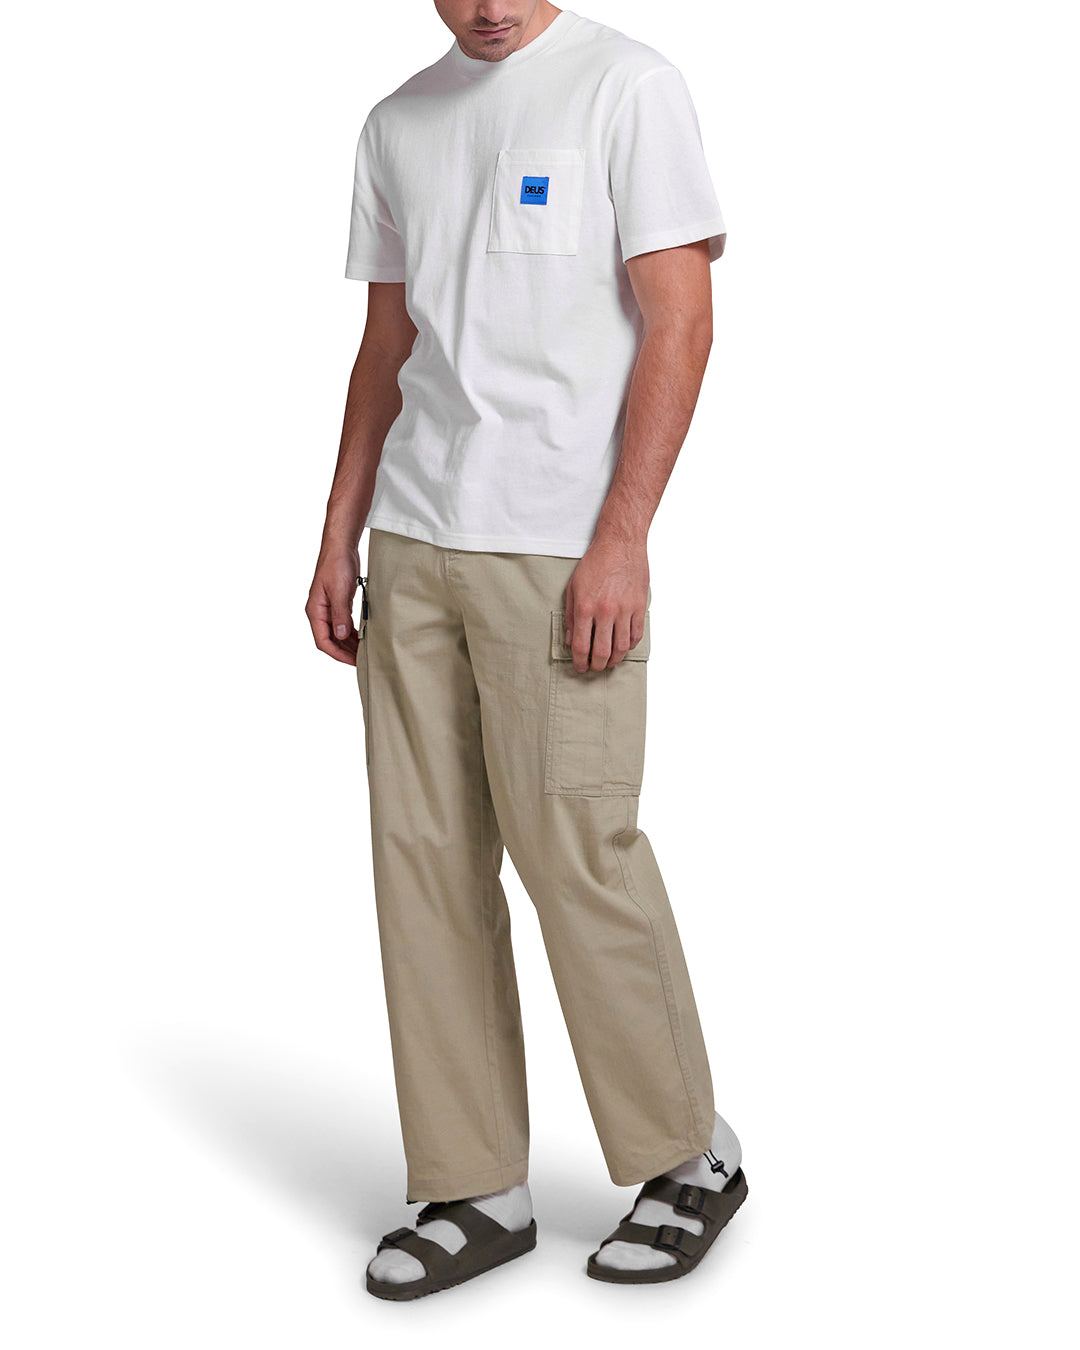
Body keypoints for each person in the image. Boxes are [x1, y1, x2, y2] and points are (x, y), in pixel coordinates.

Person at [305, 2, 748, 1298]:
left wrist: (624, 536)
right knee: (424, 863)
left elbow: (681, 321)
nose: (487, 7)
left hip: (561, 549)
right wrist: (339, 533)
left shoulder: (627, 87)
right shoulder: (399, 121)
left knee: (578, 854)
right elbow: (387, 345)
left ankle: (689, 1155)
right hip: (417, 540)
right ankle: (474, 1180)